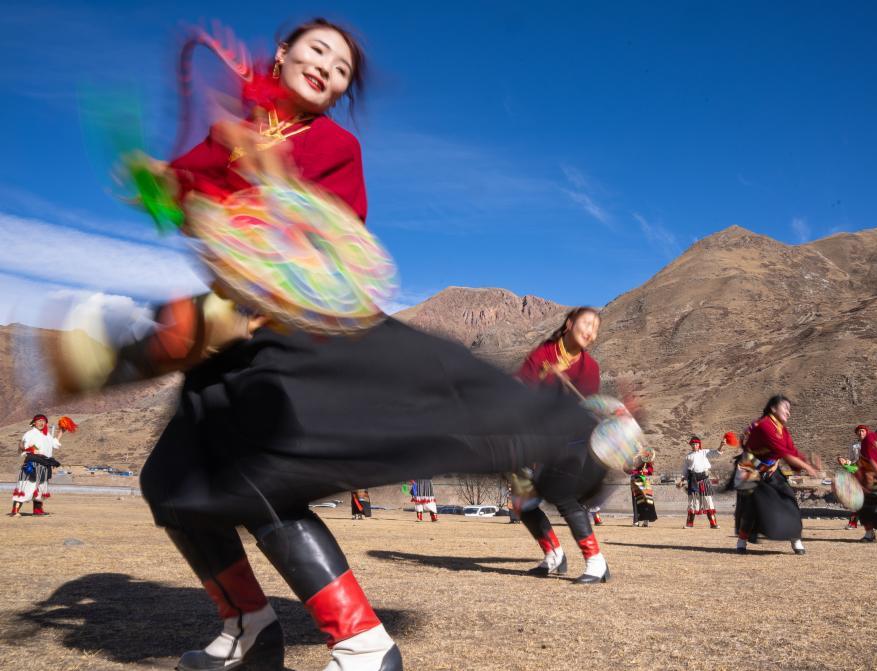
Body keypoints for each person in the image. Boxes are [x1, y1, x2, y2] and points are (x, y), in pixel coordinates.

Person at [54, 18, 603, 671]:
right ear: (282, 54)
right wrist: (154, 182)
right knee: (173, 481)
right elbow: (188, 193)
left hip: (293, 340)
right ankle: (254, 628)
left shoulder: (336, 145)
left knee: (256, 479)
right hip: (229, 341)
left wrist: (278, 190)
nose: (329, 69)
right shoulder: (234, 128)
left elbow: (338, 250)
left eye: (341, 69)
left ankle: (359, 642)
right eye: (318, 51)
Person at [514, 307, 611, 584]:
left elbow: (583, 409)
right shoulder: (542, 354)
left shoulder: (590, 368)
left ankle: (596, 562)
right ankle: (554, 555)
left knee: (563, 495)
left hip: (571, 439)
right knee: (523, 501)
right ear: (569, 324)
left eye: (596, 328)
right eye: (586, 323)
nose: (591, 332)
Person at [734, 395, 819, 555]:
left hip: (771, 468)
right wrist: (807, 466)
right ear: (773, 408)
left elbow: (791, 450)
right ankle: (742, 540)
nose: (789, 413)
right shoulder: (765, 425)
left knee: (789, 499)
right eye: (785, 408)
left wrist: (806, 462)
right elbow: (783, 452)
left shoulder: (782, 429)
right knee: (751, 508)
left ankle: (795, 538)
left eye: (789, 409)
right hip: (750, 468)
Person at [9, 415, 66, 517]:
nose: (41, 423)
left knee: (41, 488)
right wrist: (34, 449)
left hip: (44, 465)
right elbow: (24, 446)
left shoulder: (47, 435)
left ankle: (37, 511)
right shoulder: (30, 434)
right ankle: (15, 510)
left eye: (43, 421)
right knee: (27, 486)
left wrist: (61, 431)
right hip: (33, 463)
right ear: (34, 422)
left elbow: (54, 444)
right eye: (39, 421)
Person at [679, 436, 721, 528]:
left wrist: (721, 445)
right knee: (693, 503)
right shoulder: (688, 456)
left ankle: (713, 524)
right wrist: (682, 480)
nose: (694, 446)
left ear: (699, 445)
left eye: (696, 444)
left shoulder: (704, 452)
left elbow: (716, 453)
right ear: (691, 445)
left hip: (704, 480)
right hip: (692, 481)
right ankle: (689, 524)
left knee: (708, 501)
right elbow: (685, 471)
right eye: (693, 444)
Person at [839, 424, 868, 529]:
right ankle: (853, 522)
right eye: (859, 431)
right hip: (857, 470)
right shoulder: (854, 446)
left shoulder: (872, 443)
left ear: (866, 432)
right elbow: (851, 459)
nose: (861, 433)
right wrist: (846, 462)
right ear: (856, 433)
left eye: (863, 431)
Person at [628, 453, 657, 527]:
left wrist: (646, 471)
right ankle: (636, 521)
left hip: (644, 482)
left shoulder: (648, 465)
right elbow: (629, 470)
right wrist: (636, 471)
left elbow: (650, 471)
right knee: (636, 501)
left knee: (646, 501)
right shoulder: (634, 460)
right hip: (635, 481)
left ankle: (646, 521)